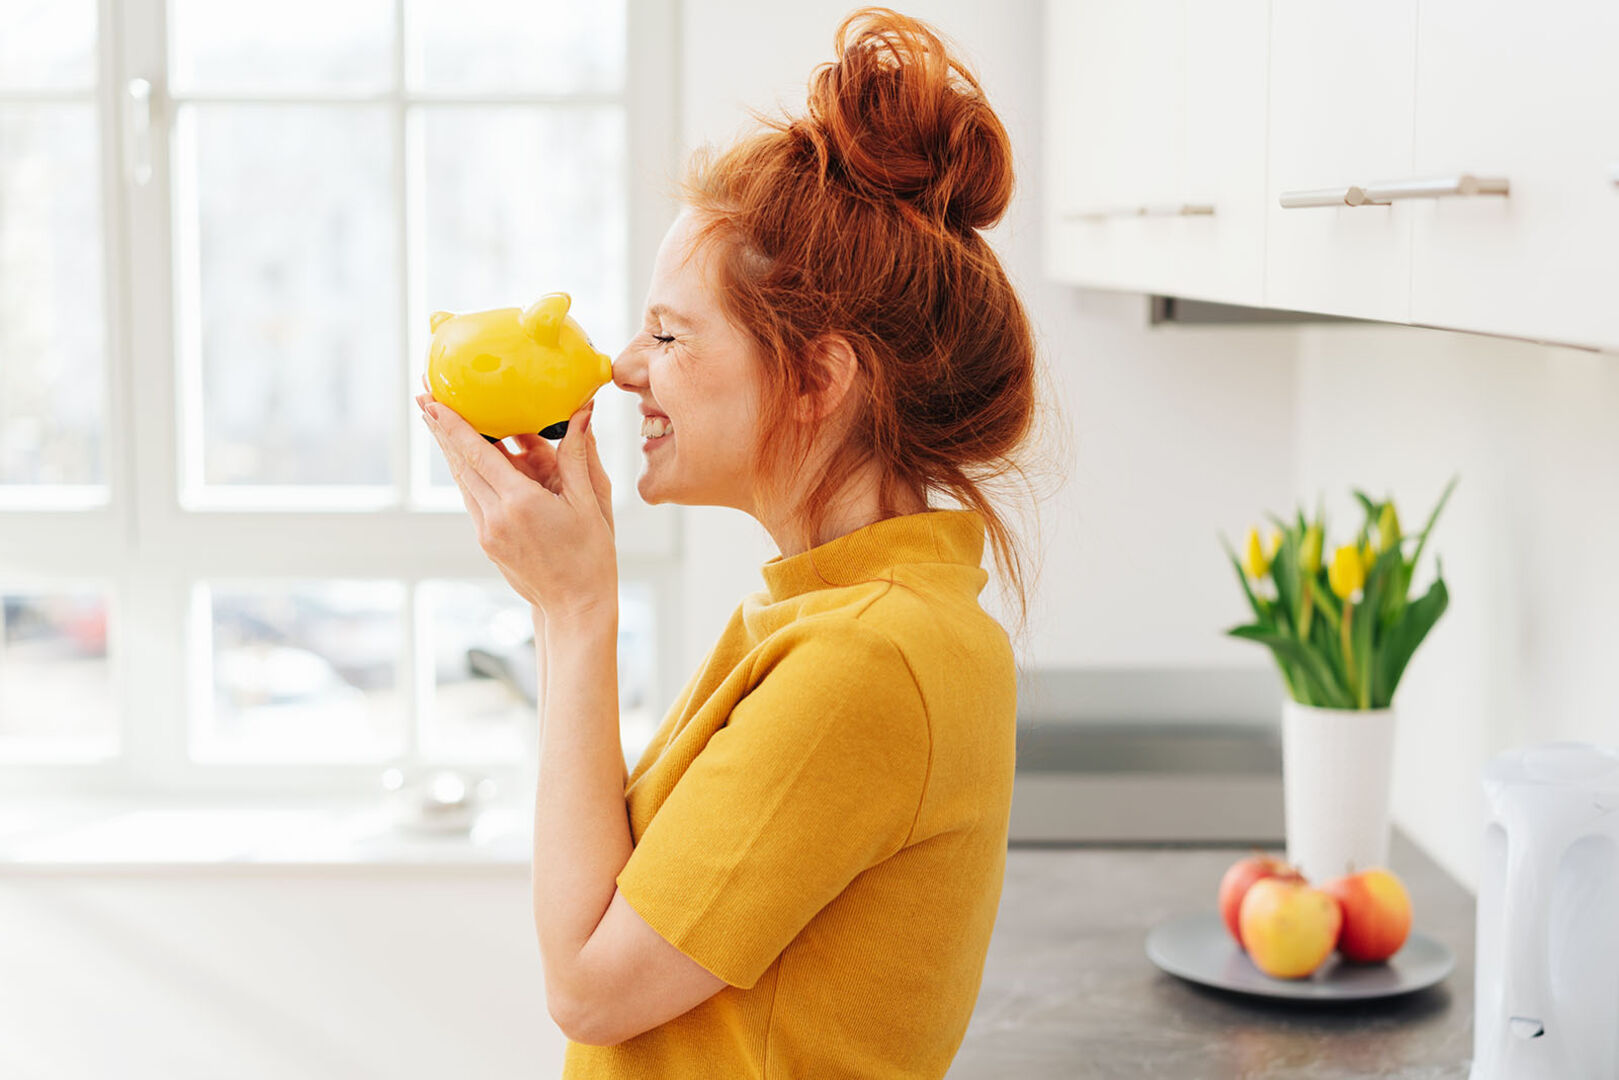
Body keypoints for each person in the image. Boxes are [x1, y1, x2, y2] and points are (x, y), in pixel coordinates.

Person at [420, 6, 1057, 1077]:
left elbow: (587, 987)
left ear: (817, 378)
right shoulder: (843, 617)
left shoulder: (867, 661)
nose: (625, 369)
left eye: (669, 334)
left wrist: (574, 611)